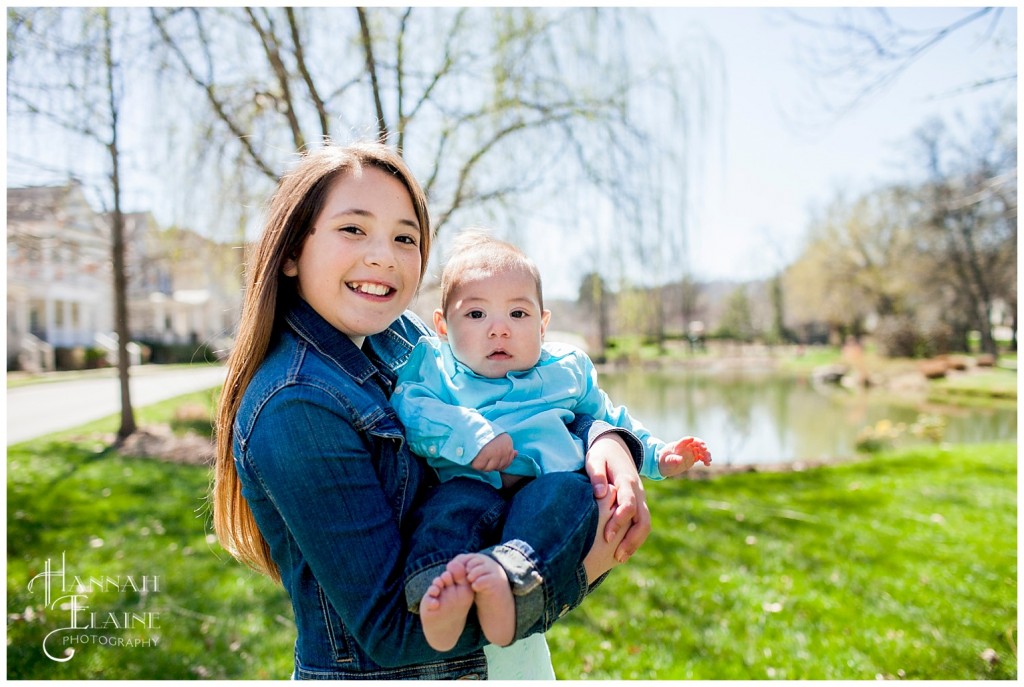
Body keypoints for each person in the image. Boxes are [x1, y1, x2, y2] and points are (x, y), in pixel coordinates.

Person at [212, 142, 652, 680]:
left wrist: (610, 443)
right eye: (354, 229)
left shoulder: (405, 339)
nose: (385, 256)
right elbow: (392, 633)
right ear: (290, 252)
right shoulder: (295, 403)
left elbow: (532, 400)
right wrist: (585, 563)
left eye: (405, 237)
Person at [392, 230, 711, 651]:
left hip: (545, 488)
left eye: (518, 315)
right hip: (468, 485)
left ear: (543, 325)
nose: (499, 330)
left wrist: (658, 454)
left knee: (569, 494)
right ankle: (439, 590)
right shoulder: (434, 368)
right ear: (443, 326)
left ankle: (514, 577)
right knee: (445, 512)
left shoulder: (566, 370)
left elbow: (608, 417)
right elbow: (412, 409)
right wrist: (471, 434)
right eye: (476, 315)